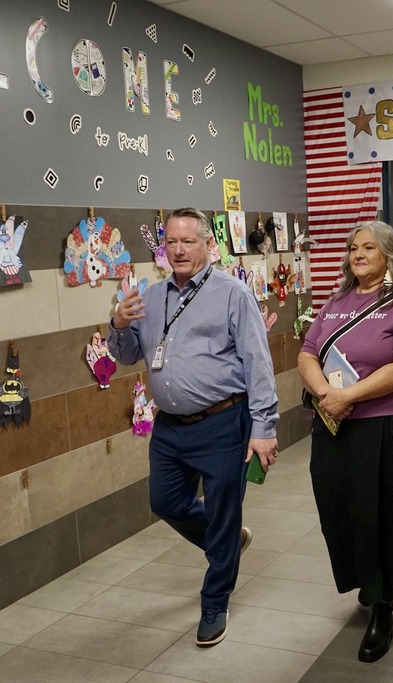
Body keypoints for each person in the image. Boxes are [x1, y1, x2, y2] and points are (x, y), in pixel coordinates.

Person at [109, 207, 279, 647]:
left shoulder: (232, 293)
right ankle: (227, 540)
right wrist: (119, 325)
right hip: (169, 427)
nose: (179, 249)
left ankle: (214, 601)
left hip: (224, 420)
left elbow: (257, 362)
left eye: (188, 241)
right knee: (164, 501)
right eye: (171, 242)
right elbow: (128, 356)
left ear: (207, 244)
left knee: (223, 511)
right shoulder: (150, 296)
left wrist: (263, 426)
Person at [298, 221, 393, 663]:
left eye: (368, 248)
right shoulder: (335, 302)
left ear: (389, 255)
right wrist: (325, 395)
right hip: (337, 426)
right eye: (353, 248)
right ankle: (368, 580)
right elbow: (307, 353)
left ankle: (383, 603)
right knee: (341, 508)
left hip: (392, 428)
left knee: (388, 514)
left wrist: (347, 396)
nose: (358, 255)